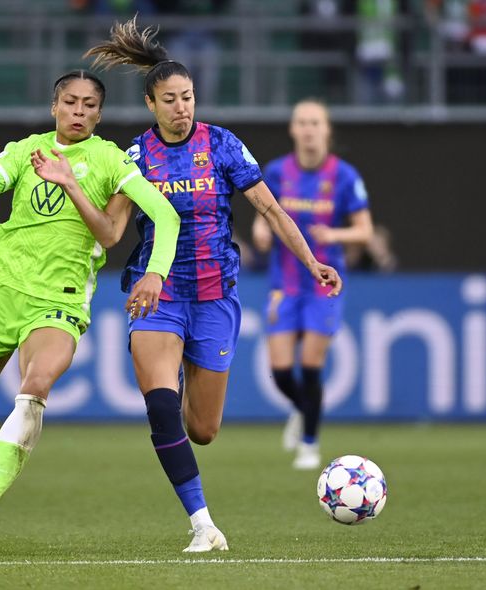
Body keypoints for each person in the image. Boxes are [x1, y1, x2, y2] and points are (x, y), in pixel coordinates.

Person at [83, 17, 342, 552]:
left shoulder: (222, 145)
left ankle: (177, 422)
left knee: (201, 429)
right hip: (157, 295)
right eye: (171, 99)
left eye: (189, 97)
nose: (183, 107)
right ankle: (203, 523)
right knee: (160, 405)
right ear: (151, 105)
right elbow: (110, 231)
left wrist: (312, 261)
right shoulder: (136, 157)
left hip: (214, 297)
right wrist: (72, 194)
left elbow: (270, 209)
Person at [0, 70, 180, 548]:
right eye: (70, 102)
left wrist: (155, 271)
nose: (79, 112)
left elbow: (165, 216)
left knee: (34, 390)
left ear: (99, 113)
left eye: (90, 105)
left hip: (61, 299)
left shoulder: (112, 162)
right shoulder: (24, 151)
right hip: (3, 290)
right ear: (55, 107)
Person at [252, 98, 373, 470]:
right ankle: (303, 410)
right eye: (301, 122)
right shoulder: (275, 172)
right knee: (282, 369)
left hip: (324, 285)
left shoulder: (344, 176)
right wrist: (260, 229)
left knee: (311, 365)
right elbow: (264, 214)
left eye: (315, 122)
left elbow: (365, 230)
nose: (308, 129)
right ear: (292, 129)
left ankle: (309, 444)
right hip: (283, 284)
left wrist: (334, 234)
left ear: (327, 130)